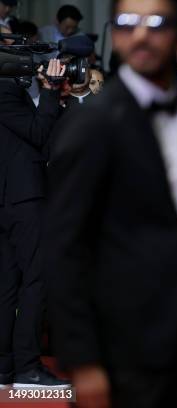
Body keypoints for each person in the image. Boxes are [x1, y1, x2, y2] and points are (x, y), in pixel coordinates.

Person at [44, 0, 177, 406]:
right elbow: (63, 246)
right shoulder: (92, 122)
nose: (140, 34)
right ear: (116, 34)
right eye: (127, 23)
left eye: (156, 22)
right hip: (114, 352)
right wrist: (82, 362)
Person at [0, 58, 71, 388]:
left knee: (8, 285)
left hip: (8, 199)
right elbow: (39, 133)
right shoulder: (5, 92)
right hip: (22, 198)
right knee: (36, 279)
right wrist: (50, 90)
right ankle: (27, 368)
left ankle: (5, 369)